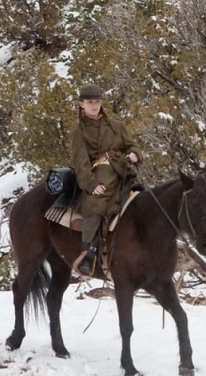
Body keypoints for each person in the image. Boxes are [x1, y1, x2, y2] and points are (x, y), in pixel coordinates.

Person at [69, 84, 141, 275]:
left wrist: (135, 154)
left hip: (122, 171)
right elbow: (81, 163)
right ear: (81, 104)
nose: (94, 105)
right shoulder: (78, 132)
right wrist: (91, 184)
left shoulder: (117, 126)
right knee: (96, 205)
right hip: (98, 175)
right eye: (90, 102)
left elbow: (131, 145)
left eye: (97, 101)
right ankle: (88, 254)